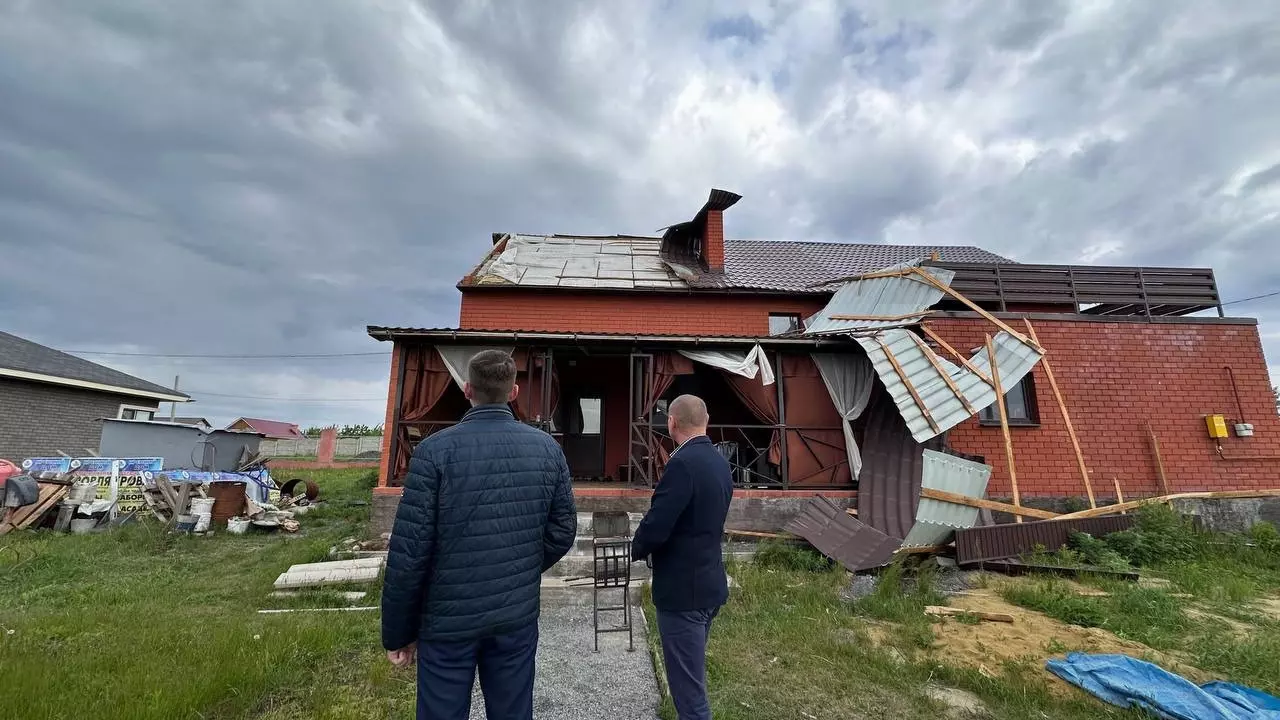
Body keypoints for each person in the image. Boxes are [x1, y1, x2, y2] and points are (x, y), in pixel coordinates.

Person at [381, 349, 577, 720]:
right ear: (514, 392)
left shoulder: (434, 452)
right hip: (513, 618)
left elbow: (409, 553)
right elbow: (563, 529)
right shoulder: (548, 449)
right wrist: (520, 565)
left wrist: (397, 632)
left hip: (446, 620)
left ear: (467, 389)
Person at [631, 394, 733, 720]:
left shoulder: (682, 465)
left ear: (671, 422)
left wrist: (635, 549)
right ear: (706, 421)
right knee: (691, 674)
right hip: (709, 584)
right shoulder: (719, 462)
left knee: (688, 693)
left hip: (683, 594)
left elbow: (657, 525)